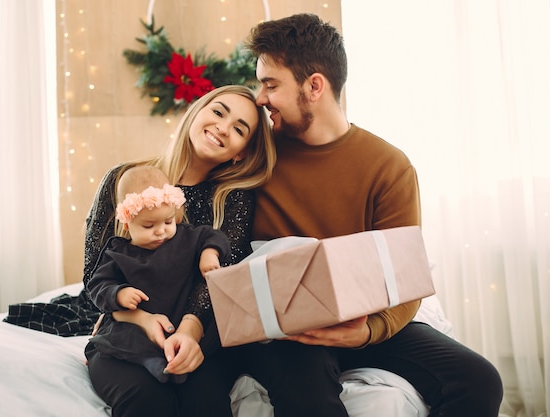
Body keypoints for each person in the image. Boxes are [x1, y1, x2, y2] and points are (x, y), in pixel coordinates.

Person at [240, 13, 503, 417]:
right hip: (289, 329)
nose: (260, 97)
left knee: (480, 380)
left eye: (271, 84)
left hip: (364, 323)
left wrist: (368, 331)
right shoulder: (258, 155)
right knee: (308, 394)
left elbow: (406, 279)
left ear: (314, 86)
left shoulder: (388, 166)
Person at [84, 85, 277, 417]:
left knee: (202, 401)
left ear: (241, 152)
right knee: (146, 400)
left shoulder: (233, 198)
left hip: (199, 331)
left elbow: (218, 279)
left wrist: (190, 330)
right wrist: (134, 316)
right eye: (218, 112)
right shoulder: (122, 180)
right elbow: (94, 273)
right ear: (197, 112)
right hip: (129, 328)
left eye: (239, 128)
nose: (222, 127)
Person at [84, 165, 231, 384]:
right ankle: (152, 363)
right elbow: (97, 285)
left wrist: (209, 254)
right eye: (149, 225)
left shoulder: (188, 238)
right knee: (124, 337)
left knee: (213, 336)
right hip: (140, 324)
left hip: (178, 319)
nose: (161, 230)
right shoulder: (117, 253)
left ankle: (174, 363)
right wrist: (119, 293)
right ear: (127, 223)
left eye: (168, 222)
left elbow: (216, 237)